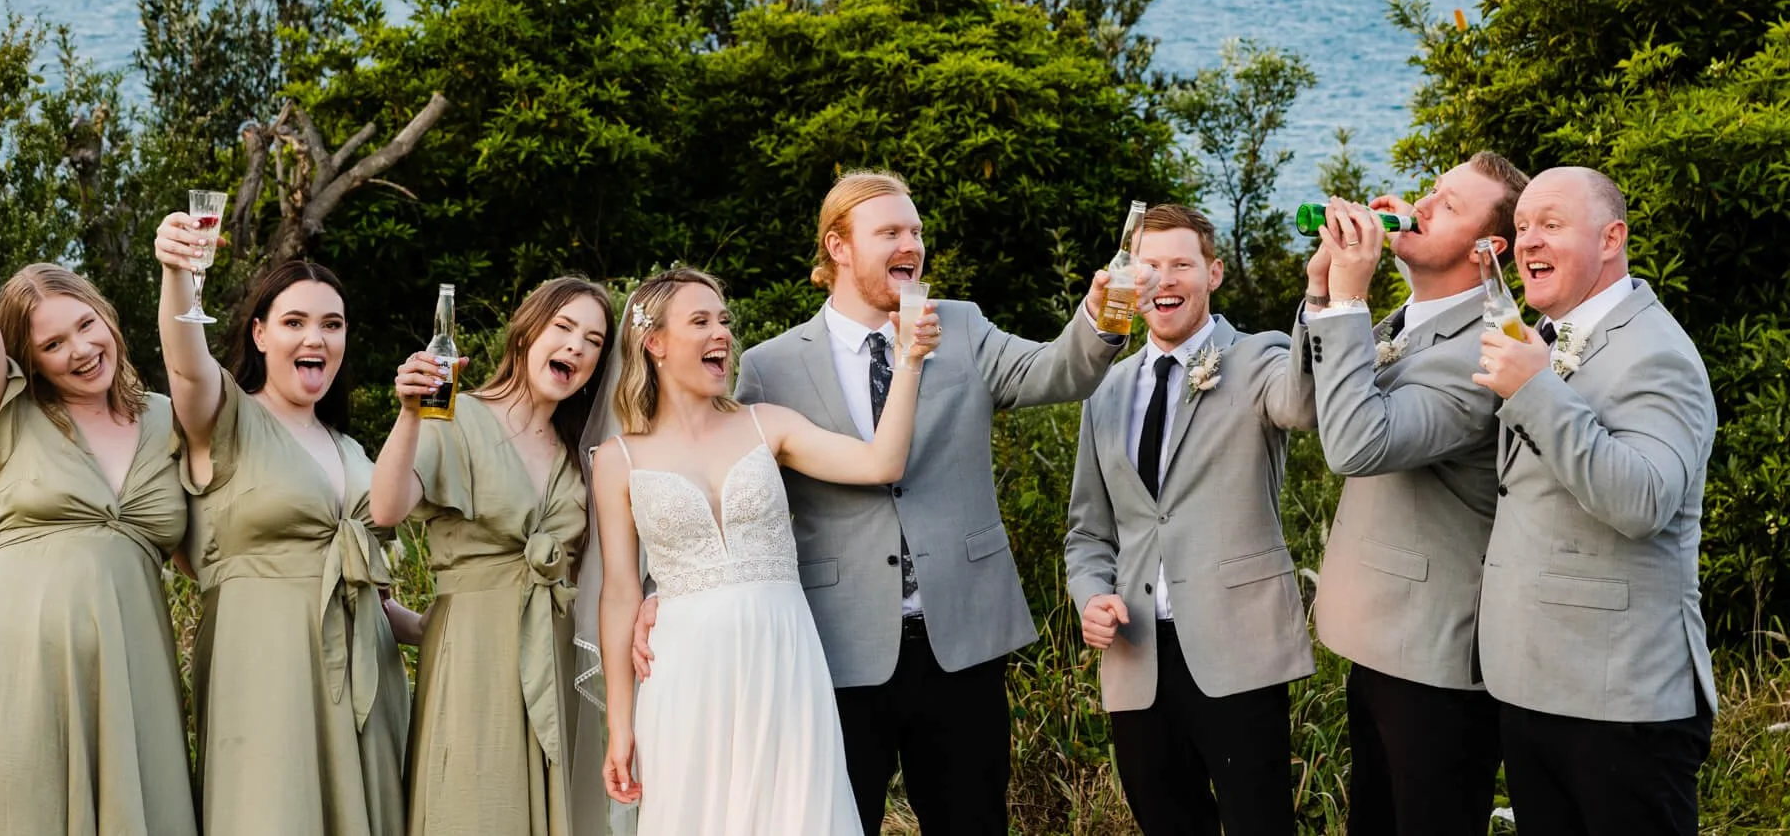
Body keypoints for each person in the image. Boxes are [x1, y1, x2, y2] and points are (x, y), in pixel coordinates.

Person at [629, 171, 1123, 835]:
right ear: (838, 245)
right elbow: (724, 489)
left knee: (973, 822)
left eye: (916, 231)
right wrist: (666, 589)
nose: (911, 243)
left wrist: (1099, 315)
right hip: (836, 643)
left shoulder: (962, 325)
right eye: (890, 230)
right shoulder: (773, 366)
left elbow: (1060, 371)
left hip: (964, 636)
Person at [0, 151, 198, 836]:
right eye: (52, 343)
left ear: (107, 317)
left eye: (86, 324)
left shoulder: (170, 419)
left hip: (130, 677)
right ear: (30, 357)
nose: (80, 349)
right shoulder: (4, 415)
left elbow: (214, 549)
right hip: (9, 666)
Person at [591, 267, 940, 835]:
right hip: (683, 673)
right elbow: (621, 592)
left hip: (783, 656)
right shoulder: (618, 459)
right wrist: (620, 723)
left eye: (724, 320)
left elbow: (881, 464)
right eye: (700, 321)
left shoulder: (767, 425)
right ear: (654, 342)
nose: (721, 334)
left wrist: (909, 361)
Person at [1472, 167, 1717, 835]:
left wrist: (1537, 391)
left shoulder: (1658, 353)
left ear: (1612, 237)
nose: (1526, 241)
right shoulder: (1546, 337)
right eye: (1521, 226)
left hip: (1623, 702)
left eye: (1550, 223)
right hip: (1537, 684)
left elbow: (1642, 500)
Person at [155, 215, 417, 836]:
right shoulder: (225, 418)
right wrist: (177, 275)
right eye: (295, 322)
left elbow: (377, 600)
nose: (317, 338)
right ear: (261, 334)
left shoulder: (353, 450)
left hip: (365, 671)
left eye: (332, 324)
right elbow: (187, 365)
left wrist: (438, 632)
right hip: (263, 659)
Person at [1293, 152, 1528, 836]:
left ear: (1490, 249)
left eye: (1448, 205)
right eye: (1430, 190)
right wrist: (1320, 294)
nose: (1422, 206)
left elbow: (1356, 446)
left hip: (1438, 661)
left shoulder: (1485, 347)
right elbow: (1308, 410)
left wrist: (1349, 299)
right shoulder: (1409, 320)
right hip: (1383, 641)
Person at [1065, 203, 1314, 836]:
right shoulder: (1106, 388)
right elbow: (1089, 531)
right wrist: (1091, 595)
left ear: (1214, 274)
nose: (1165, 280)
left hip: (1240, 649)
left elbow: (1304, 404)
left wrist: (1323, 294)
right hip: (1137, 653)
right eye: (1150, 266)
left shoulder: (1261, 359)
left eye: (1182, 264)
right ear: (1130, 278)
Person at [369, 276, 617, 836]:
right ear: (527, 334)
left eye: (594, 340)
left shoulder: (581, 456)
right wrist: (410, 413)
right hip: (474, 650)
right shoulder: (454, 413)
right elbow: (386, 508)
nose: (576, 345)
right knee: (474, 804)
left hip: (555, 653)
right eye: (564, 327)